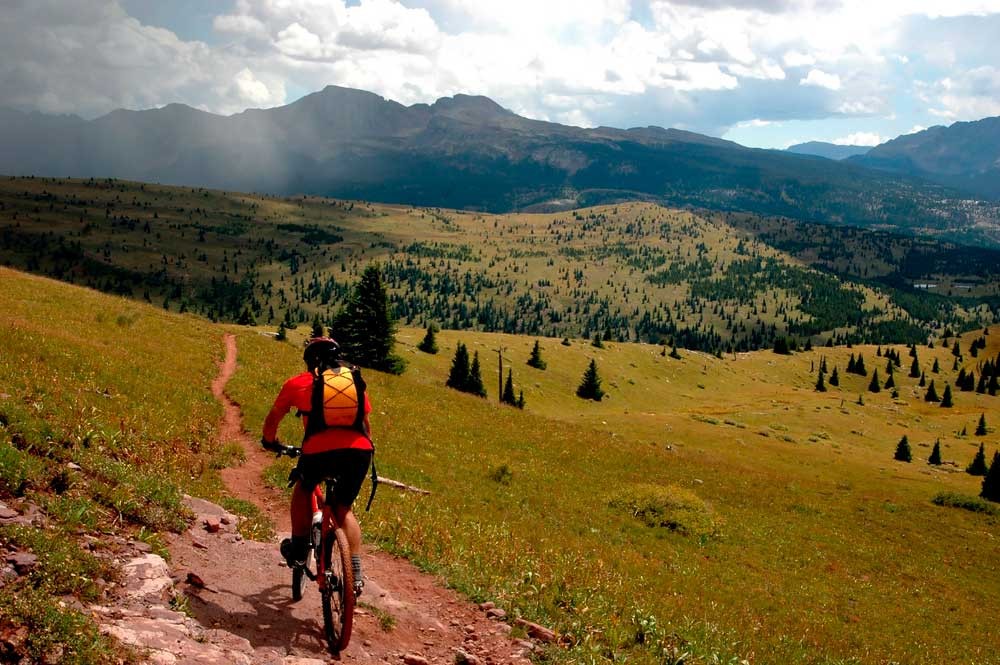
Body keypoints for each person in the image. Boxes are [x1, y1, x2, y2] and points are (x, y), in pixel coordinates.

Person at [261, 337, 373, 596]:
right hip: (358, 451)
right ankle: (355, 573)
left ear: (309, 361)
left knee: (304, 487)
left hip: (318, 451)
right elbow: (366, 426)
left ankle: (299, 550)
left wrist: (270, 442)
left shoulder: (299, 383)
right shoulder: (353, 383)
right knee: (343, 508)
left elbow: (273, 417)